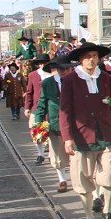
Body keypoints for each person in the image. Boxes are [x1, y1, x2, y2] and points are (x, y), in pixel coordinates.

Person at [59, 43, 111, 219]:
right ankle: (89, 217)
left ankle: (108, 211)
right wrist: (67, 138)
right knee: (83, 180)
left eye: (95, 55)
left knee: (109, 175)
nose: (91, 59)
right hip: (82, 136)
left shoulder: (105, 78)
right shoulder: (71, 80)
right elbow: (64, 111)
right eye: (88, 56)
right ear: (81, 59)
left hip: (107, 134)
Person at [33, 56, 77, 193]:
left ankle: (77, 179)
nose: (65, 71)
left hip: (74, 123)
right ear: (56, 70)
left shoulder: (76, 81)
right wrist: (39, 125)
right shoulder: (47, 83)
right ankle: (62, 180)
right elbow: (41, 103)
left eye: (68, 68)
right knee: (58, 154)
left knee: (75, 153)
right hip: (55, 123)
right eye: (62, 69)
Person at [22, 56, 49, 165]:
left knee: (50, 131)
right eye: (41, 63)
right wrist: (27, 107)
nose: (43, 65)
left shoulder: (53, 74)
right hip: (36, 108)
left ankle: (51, 154)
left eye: (45, 63)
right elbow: (29, 92)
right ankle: (40, 154)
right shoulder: (33, 75)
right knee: (36, 131)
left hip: (49, 108)